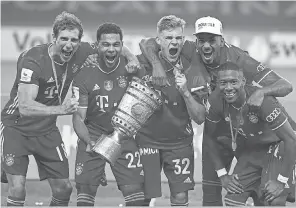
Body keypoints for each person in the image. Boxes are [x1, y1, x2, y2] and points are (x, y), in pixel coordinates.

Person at [138, 16, 294, 206]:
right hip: (216, 126)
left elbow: (285, 85)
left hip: (245, 130)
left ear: (222, 40)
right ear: (196, 41)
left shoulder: (239, 59)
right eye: (201, 40)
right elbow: (146, 43)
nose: (206, 46)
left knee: (263, 192)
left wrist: (262, 91)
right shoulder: (191, 48)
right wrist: (156, 65)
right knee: (211, 190)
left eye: (212, 40)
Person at [0, 11, 138, 206]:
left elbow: (114, 46)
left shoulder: (81, 51)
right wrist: (61, 109)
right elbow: (24, 107)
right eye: (63, 39)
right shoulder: (33, 60)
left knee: (64, 189)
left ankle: (6, 165)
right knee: (18, 187)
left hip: (46, 130)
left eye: (74, 40)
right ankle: (7, 164)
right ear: (53, 38)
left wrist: (132, 58)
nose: (68, 45)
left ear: (80, 41)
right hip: (16, 127)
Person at [135, 15, 209, 206]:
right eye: (168, 38)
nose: (174, 42)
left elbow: (200, 118)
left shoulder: (193, 66)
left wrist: (185, 92)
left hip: (179, 144)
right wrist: (156, 65)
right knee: (143, 195)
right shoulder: (145, 61)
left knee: (180, 196)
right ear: (159, 41)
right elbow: (143, 42)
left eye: (178, 38)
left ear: (183, 40)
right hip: (146, 140)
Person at [72, 22, 147, 207]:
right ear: (97, 45)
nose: (111, 49)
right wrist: (89, 141)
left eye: (116, 45)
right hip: (93, 133)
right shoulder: (83, 74)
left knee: (136, 196)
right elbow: (78, 117)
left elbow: (143, 105)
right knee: (85, 195)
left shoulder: (132, 68)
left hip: (123, 134)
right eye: (106, 44)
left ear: (122, 46)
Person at [204, 62, 296, 206]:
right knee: (232, 200)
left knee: (273, 199)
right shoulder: (215, 101)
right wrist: (222, 175)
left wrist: (281, 181)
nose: (228, 88)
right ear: (217, 83)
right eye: (223, 83)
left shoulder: (263, 101)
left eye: (233, 82)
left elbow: (291, 140)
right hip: (253, 149)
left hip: (278, 146)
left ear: (243, 82)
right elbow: (209, 137)